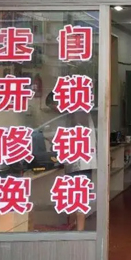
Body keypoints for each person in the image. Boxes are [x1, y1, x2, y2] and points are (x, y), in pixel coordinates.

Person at [45, 92, 98, 231]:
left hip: (81, 162)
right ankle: (73, 226)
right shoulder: (73, 112)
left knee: (79, 195)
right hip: (77, 161)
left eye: (54, 107)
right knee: (73, 194)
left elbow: (77, 136)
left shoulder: (78, 111)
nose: (56, 111)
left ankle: (79, 232)